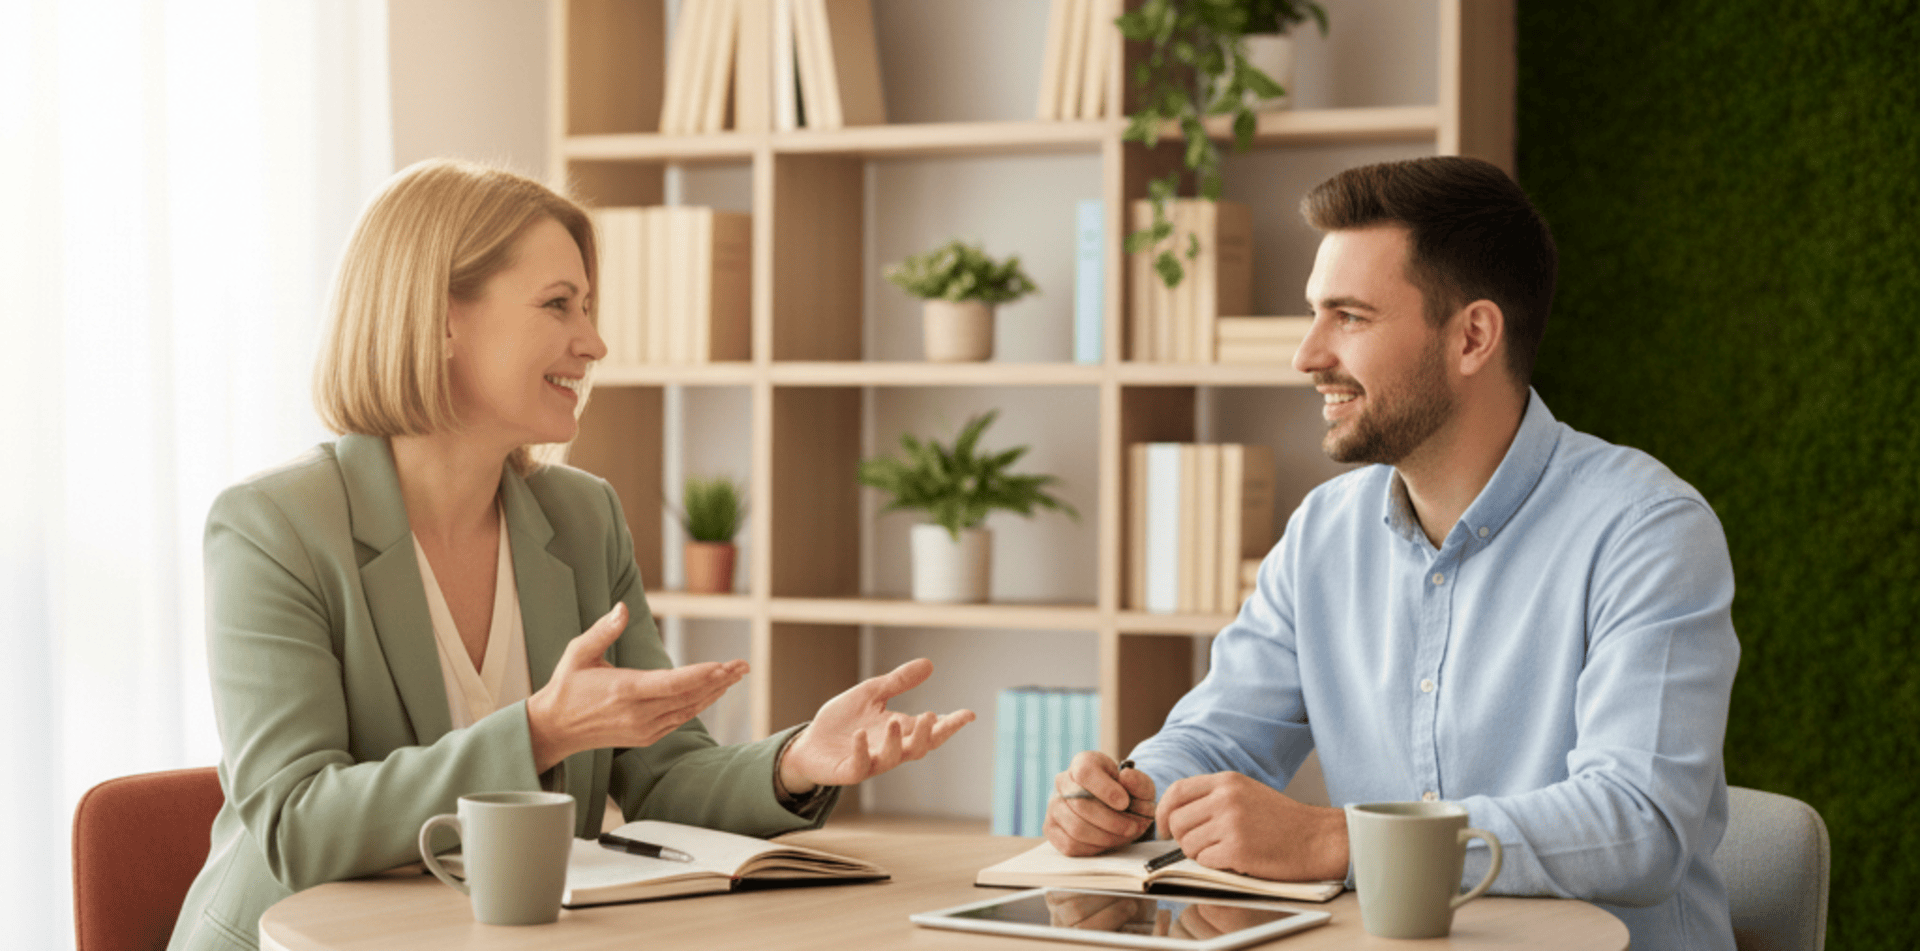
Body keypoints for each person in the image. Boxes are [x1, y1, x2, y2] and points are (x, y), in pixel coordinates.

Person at [169, 159, 975, 951]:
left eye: (587, 307)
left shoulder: (584, 518)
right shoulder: (273, 529)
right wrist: (540, 733)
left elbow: (662, 776)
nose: (593, 341)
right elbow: (298, 825)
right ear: (440, 316)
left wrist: (795, 763)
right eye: (559, 304)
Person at [1046, 156, 1739, 950]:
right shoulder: (1323, 533)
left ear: (1472, 336)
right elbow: (1217, 737)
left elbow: (1637, 822)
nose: (1306, 355)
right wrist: (1129, 793)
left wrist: (1336, 839)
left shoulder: (1646, 529)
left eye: (1349, 316)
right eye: (1314, 313)